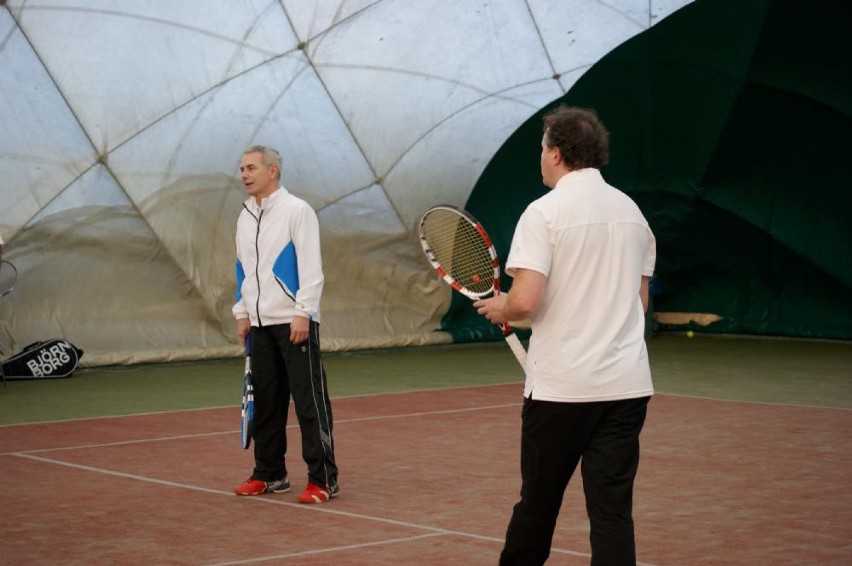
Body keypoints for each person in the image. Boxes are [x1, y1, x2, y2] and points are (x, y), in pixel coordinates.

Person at [474, 106, 656, 565]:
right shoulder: (634, 214)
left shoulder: (543, 213)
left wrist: (503, 307)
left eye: (541, 149)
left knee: (537, 505)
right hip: (626, 387)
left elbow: (526, 301)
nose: (540, 157)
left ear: (555, 154)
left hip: (562, 391)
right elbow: (638, 303)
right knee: (613, 514)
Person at [232, 145, 340, 504]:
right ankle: (270, 474)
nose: (244, 174)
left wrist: (303, 311)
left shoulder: (298, 211)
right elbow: (242, 269)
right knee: (266, 403)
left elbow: (311, 265)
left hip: (294, 321)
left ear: (272, 170)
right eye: (242, 169)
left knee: (309, 403)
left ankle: (323, 479)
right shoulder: (244, 215)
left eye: (251, 167)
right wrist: (242, 312)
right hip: (260, 325)